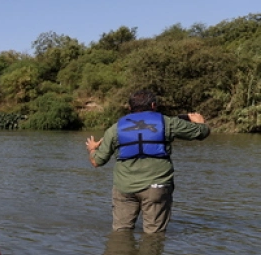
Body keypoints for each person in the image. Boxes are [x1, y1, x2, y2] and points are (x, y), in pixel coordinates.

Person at [85, 90, 210, 234]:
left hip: (125, 188)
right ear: (153, 105)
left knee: (121, 232)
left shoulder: (114, 129)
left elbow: (96, 161)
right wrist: (201, 122)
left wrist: (92, 149)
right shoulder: (167, 123)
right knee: (154, 236)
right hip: (156, 187)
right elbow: (202, 132)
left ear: (130, 108)